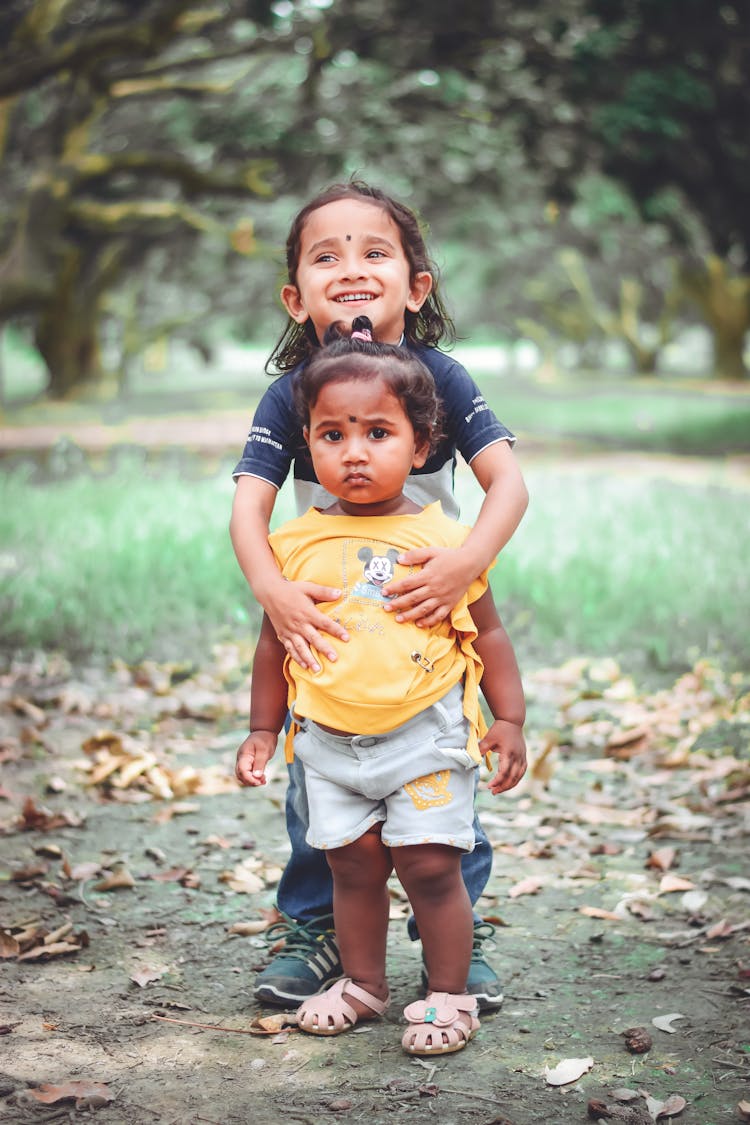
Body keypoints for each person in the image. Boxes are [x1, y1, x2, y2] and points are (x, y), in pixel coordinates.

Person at [230, 180, 529, 1010]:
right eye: (326, 255)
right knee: (318, 792)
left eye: (375, 252)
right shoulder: (293, 388)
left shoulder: (441, 376)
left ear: (415, 284)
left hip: (424, 620)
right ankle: (313, 924)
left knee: (440, 778)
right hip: (327, 629)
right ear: (296, 294)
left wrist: (465, 562)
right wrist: (274, 594)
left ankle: (456, 932)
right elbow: (248, 505)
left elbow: (508, 485)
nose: (351, 268)